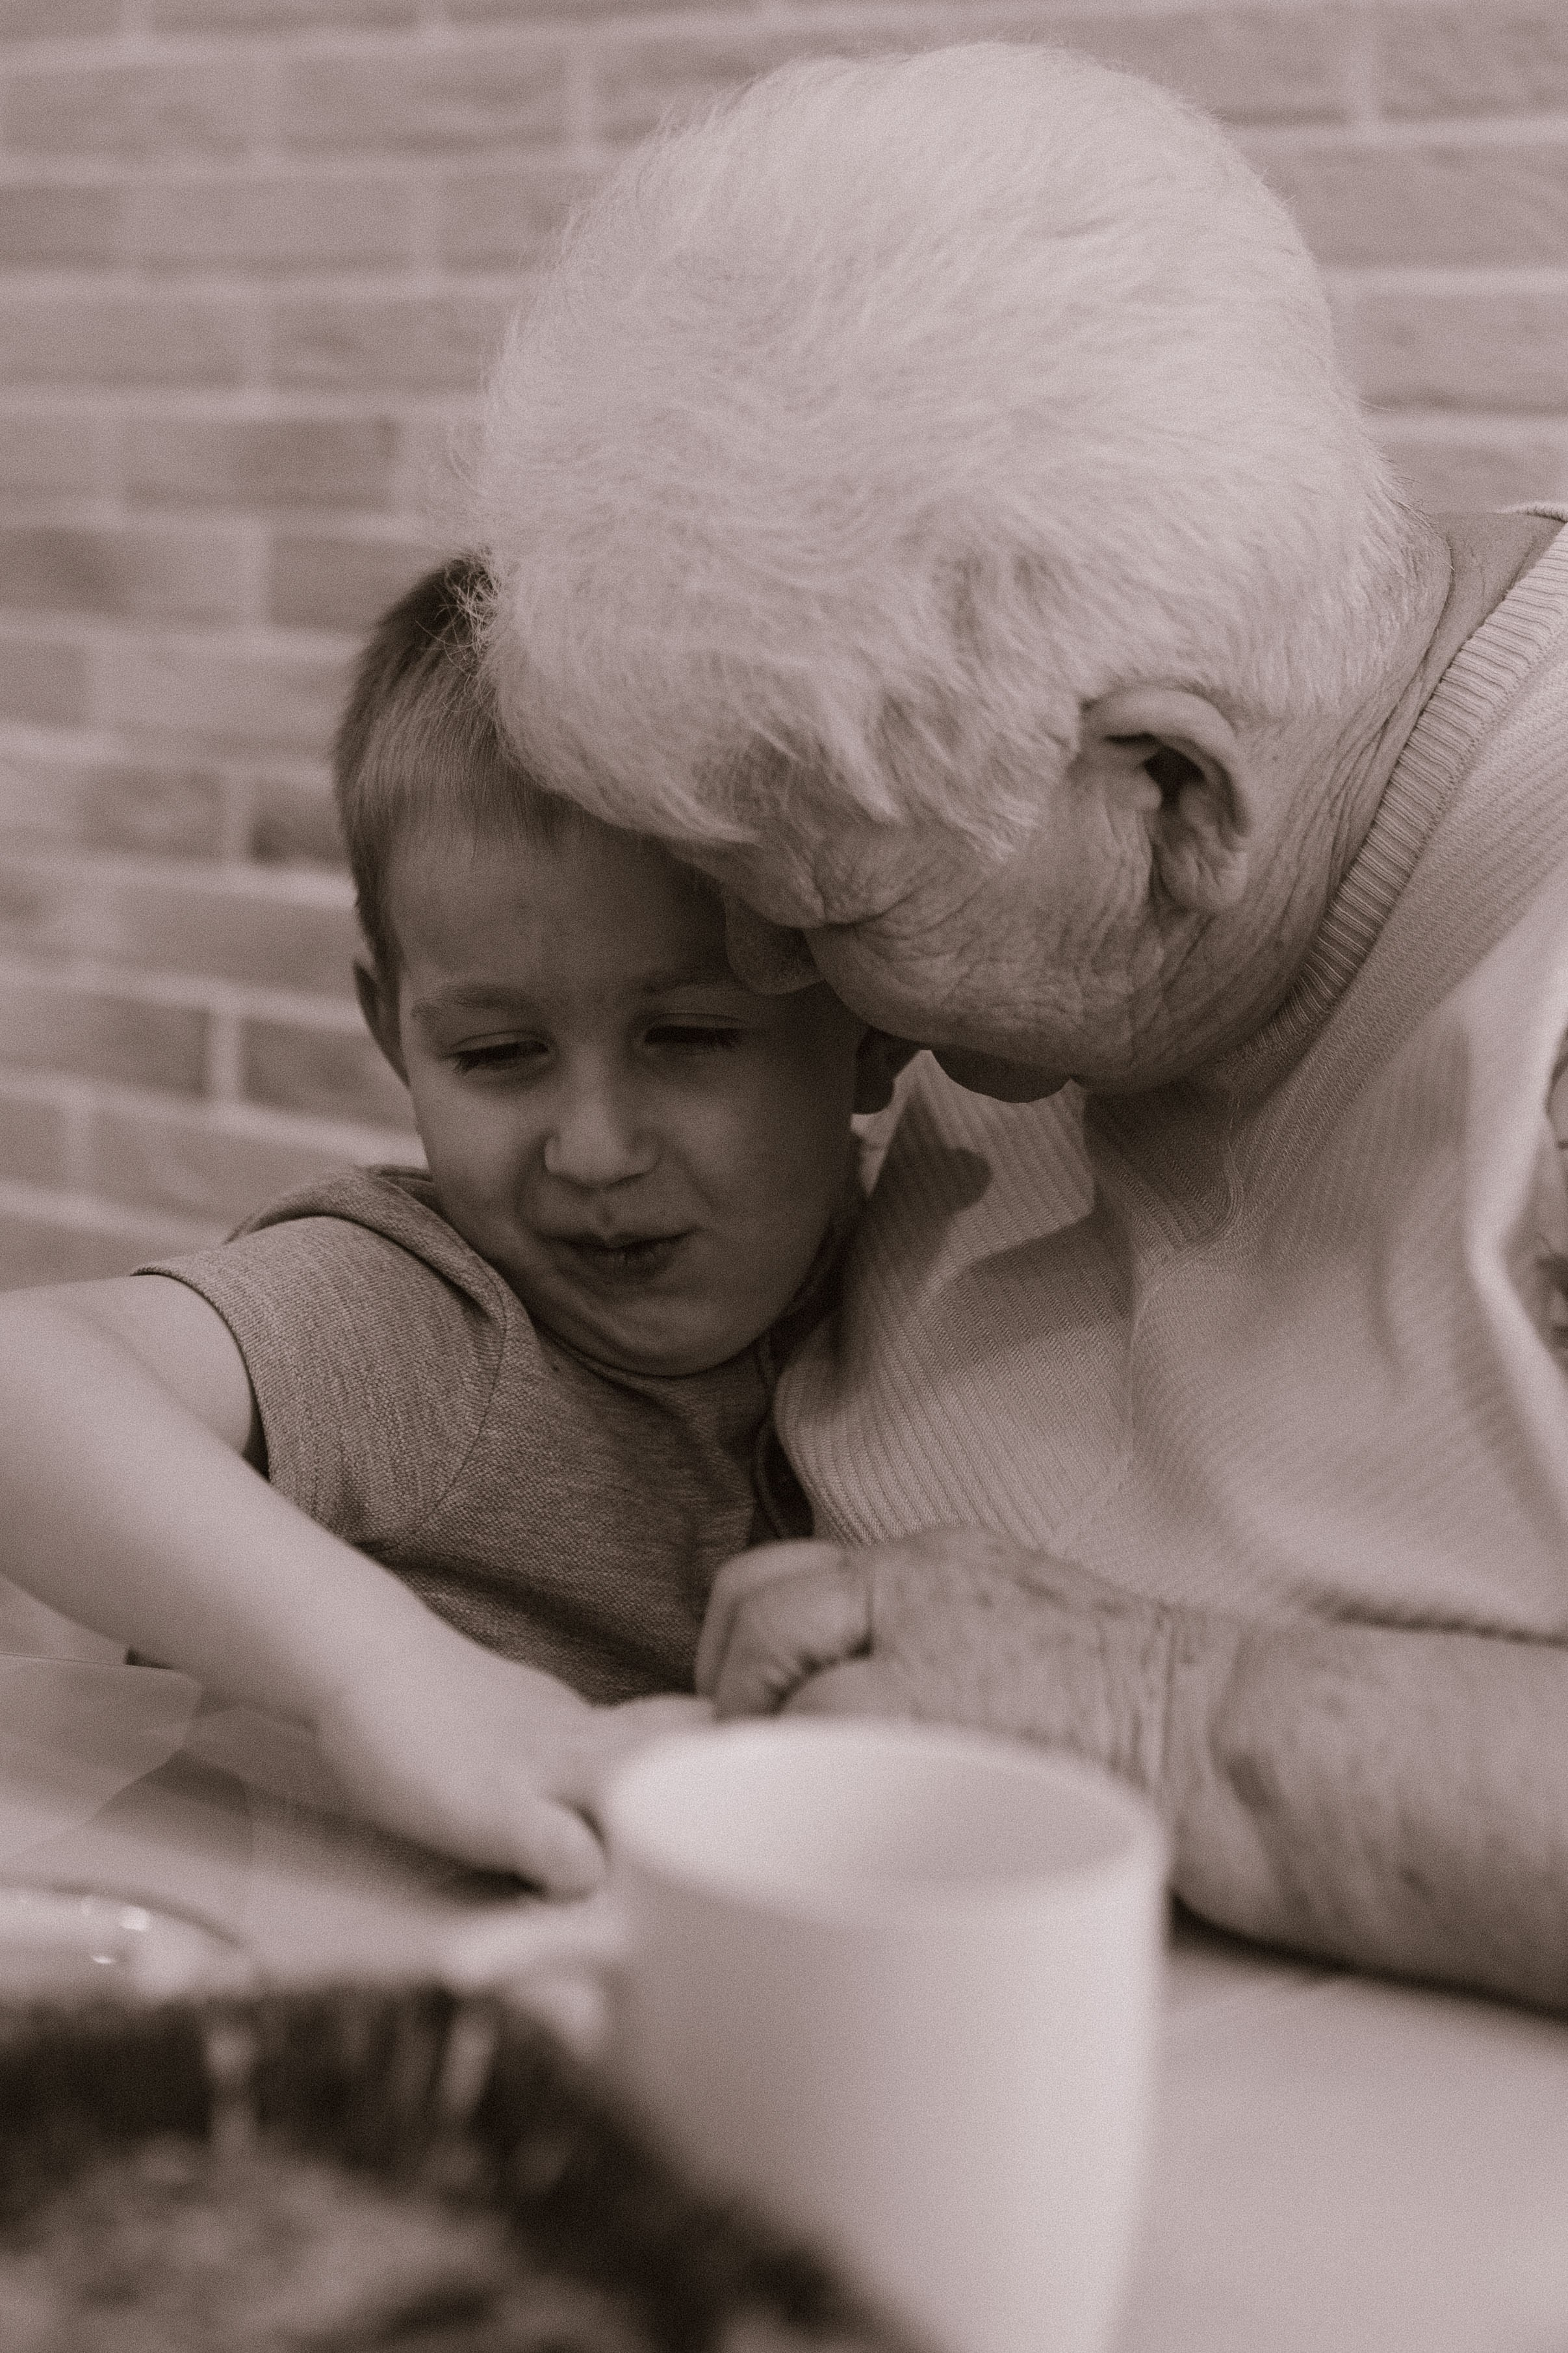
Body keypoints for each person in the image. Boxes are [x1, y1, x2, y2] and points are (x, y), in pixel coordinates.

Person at [473, 45, 1568, 2008]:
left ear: (1168, 796)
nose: (761, 978)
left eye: (827, 911)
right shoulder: (1025, 931)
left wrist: (1174, 1717)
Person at [0, 558, 896, 1892]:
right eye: (496, 1052)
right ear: (392, 1030)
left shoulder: (926, 1279)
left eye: (691, 1036)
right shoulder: (433, 1317)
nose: (591, 1147)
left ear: (874, 1016)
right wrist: (384, 1671)